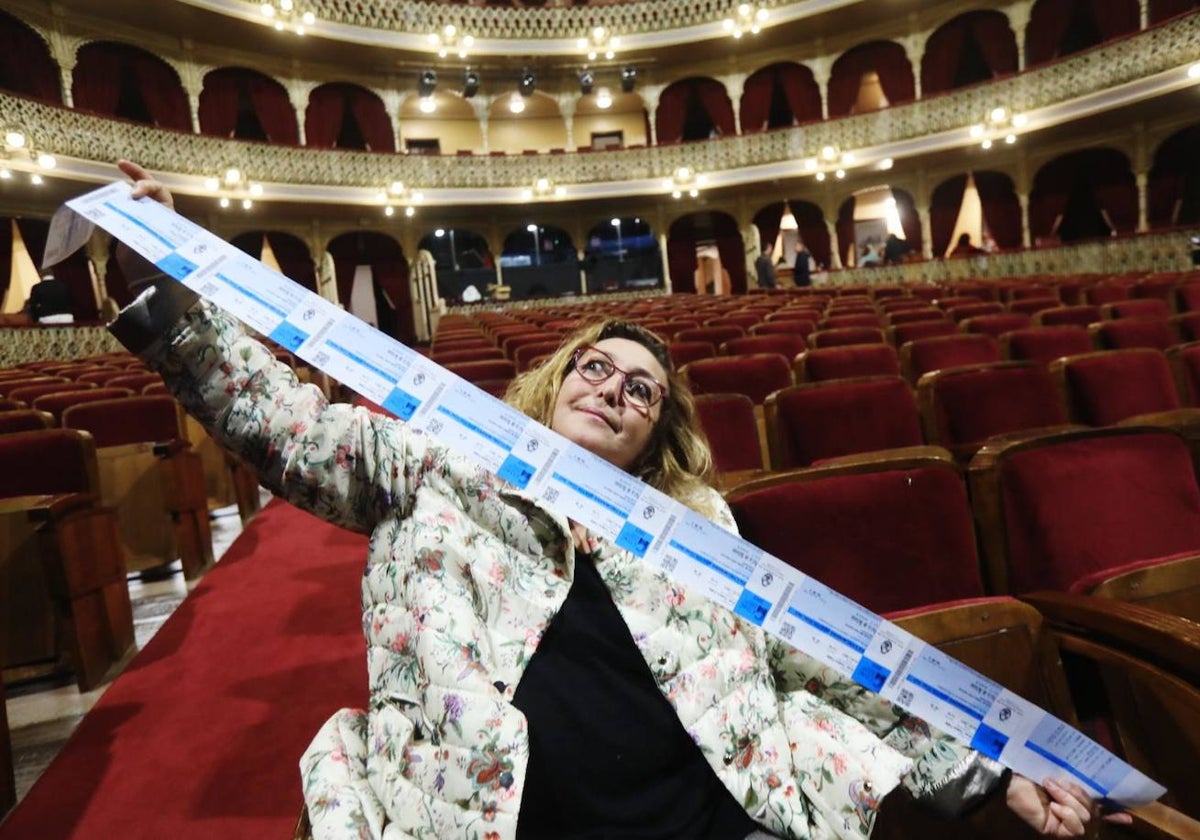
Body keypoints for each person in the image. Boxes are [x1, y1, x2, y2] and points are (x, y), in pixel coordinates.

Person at [111, 161, 1123, 840]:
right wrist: (170, 299)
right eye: (595, 369)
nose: (613, 390)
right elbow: (277, 423)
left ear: (659, 433)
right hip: (492, 816)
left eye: (641, 391)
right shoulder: (437, 466)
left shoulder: (700, 531)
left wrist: (995, 769)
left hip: (708, 813)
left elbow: (826, 666)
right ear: (555, 383)